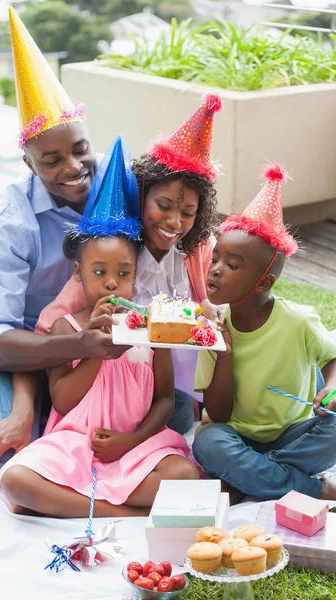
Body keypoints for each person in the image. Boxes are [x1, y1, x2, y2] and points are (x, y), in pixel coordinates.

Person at [0, 8, 128, 501]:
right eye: (52, 160)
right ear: (27, 162)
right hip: (14, 354)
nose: (75, 168)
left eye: (80, 149)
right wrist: (75, 353)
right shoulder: (9, 222)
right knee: (18, 441)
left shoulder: (110, 192)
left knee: (170, 417)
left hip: (77, 349)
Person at [0, 136, 199, 518]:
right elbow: (63, 401)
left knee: (185, 474)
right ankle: (126, 514)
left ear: (134, 275)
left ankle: (78, 505)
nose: (111, 282)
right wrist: (89, 348)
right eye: (99, 272)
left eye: (123, 273)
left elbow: (164, 399)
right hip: (74, 443)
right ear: (79, 273)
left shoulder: (151, 327)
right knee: (15, 479)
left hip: (135, 446)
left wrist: (132, 441)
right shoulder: (65, 327)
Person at [35, 95, 224, 434]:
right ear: (142, 195)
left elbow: (221, 301)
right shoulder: (118, 258)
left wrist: (210, 306)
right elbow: (55, 320)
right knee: (176, 413)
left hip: (186, 379)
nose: (174, 221)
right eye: (164, 205)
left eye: (187, 213)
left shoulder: (196, 251)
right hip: (135, 384)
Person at [192, 164, 336, 503]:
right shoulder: (213, 329)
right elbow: (218, 415)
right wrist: (225, 351)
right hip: (236, 435)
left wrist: (330, 387)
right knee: (207, 443)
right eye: (216, 259)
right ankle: (318, 489)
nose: (216, 270)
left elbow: (334, 357)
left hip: (295, 432)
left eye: (232, 265)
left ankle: (252, 477)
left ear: (264, 282)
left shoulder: (298, 320)